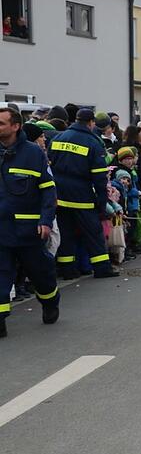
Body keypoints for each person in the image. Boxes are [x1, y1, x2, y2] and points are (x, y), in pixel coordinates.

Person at [0, 107, 60, 339]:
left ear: (15, 126)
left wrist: (46, 220)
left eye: (2, 123)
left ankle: (50, 302)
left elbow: (48, 190)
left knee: (41, 273)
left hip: (29, 230)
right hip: (1, 231)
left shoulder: (33, 153)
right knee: (1, 274)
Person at [48, 108, 118, 279]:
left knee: (66, 234)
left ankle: (68, 270)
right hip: (82, 196)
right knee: (93, 233)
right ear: (90, 123)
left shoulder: (59, 137)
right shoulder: (93, 142)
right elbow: (99, 177)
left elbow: (49, 163)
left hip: (60, 194)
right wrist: (102, 202)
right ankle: (102, 268)